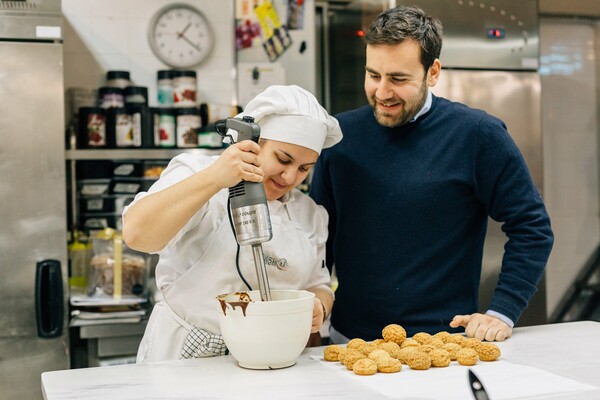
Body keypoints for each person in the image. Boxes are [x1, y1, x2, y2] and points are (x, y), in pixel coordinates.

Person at [309, 5, 553, 343]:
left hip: (445, 345)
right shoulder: (338, 136)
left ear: (433, 72)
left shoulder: (478, 135)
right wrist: (313, 320)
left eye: (398, 79)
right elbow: (317, 240)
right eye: (373, 75)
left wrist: (502, 311)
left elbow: (532, 227)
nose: (382, 92)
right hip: (348, 343)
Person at [123, 85, 342, 363]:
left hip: (271, 356)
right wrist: (215, 178)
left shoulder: (309, 213)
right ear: (252, 142)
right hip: (185, 358)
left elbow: (318, 284)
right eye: (283, 159)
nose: (289, 177)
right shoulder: (198, 175)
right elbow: (137, 234)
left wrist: (319, 307)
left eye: (304, 168)